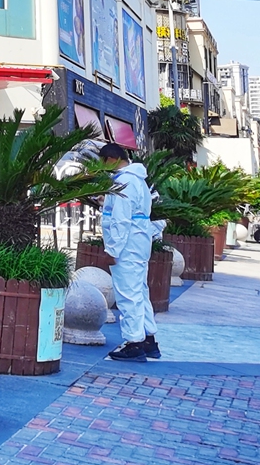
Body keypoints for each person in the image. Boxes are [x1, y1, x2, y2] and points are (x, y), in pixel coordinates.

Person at [99, 143, 160, 363]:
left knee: (128, 294)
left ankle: (134, 342)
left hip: (127, 245)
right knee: (140, 292)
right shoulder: (138, 180)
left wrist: (113, 249)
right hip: (139, 243)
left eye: (103, 161)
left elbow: (121, 219)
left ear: (111, 159)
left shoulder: (123, 182)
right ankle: (148, 338)